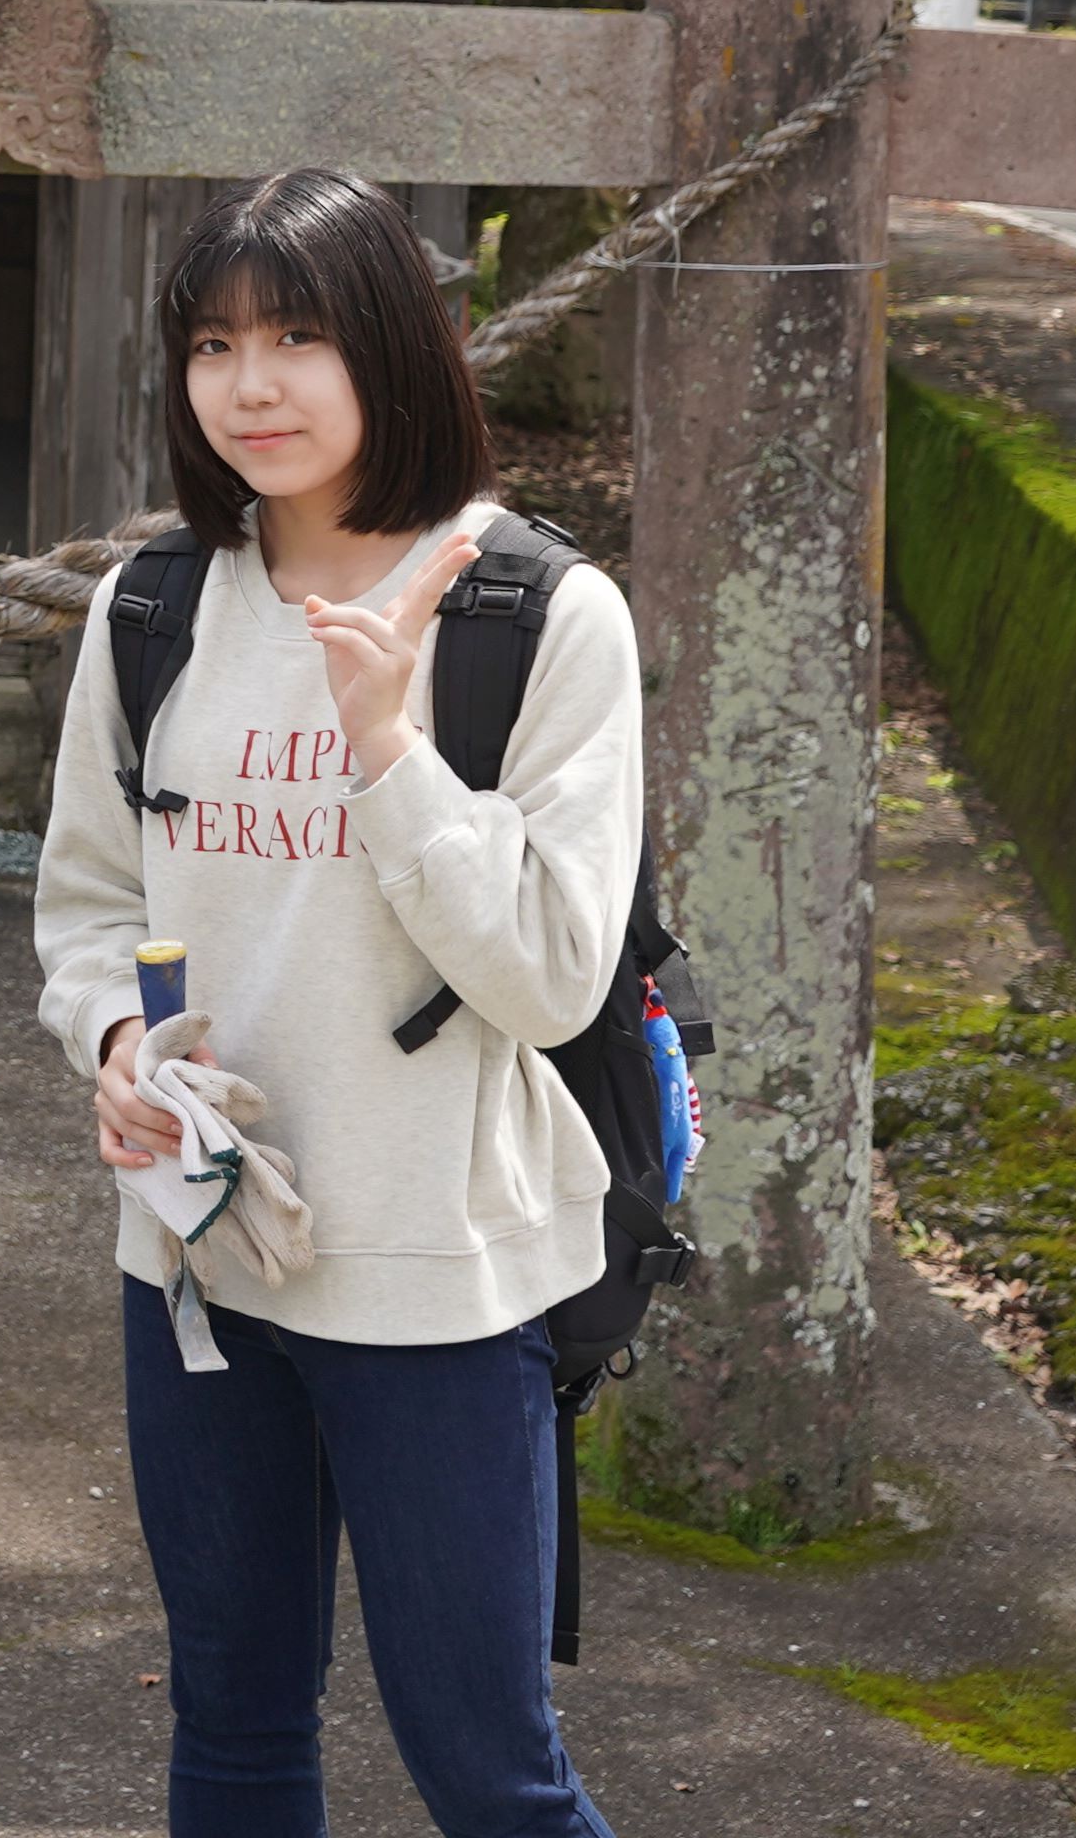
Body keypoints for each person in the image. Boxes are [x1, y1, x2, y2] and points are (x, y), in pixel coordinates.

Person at [35, 168, 634, 1838]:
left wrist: (389, 747)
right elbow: (89, 904)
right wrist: (111, 1045)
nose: (252, 384)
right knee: (232, 1723)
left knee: (488, 1769)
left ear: (394, 345)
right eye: (215, 344)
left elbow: (551, 969)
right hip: (197, 1256)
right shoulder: (153, 607)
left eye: (298, 335)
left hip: (435, 1277)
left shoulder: (538, 614)